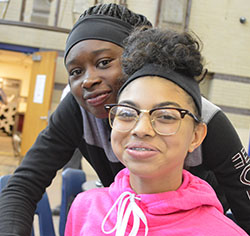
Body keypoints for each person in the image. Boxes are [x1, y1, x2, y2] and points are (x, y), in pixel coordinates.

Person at [0, 3, 249, 235]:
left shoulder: (203, 118)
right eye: (76, 71)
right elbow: (23, 185)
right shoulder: (78, 113)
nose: (88, 80)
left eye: (104, 62)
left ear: (140, 61)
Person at [65, 27, 247, 236]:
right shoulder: (86, 208)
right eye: (127, 113)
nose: (141, 129)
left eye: (166, 116)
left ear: (196, 136)